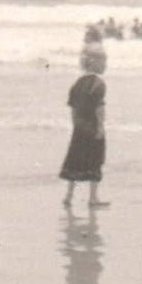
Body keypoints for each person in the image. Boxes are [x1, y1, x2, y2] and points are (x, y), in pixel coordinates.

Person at [59, 43, 110, 209]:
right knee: (95, 161)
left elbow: (73, 109)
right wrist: (101, 127)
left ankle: (68, 196)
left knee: (74, 161)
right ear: (96, 63)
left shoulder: (77, 83)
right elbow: (99, 108)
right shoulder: (99, 83)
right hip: (93, 127)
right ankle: (93, 197)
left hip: (79, 128)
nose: (105, 65)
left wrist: (76, 125)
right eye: (104, 62)